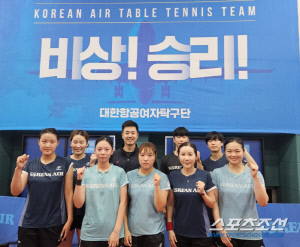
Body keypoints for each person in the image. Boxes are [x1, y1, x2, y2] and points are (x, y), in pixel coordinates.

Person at [11, 128, 73, 247]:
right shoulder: (29, 165)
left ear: (57, 143)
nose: (47, 145)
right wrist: (18, 169)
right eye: (44, 141)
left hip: (54, 223)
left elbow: (69, 193)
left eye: (52, 141)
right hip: (29, 223)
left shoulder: (65, 164)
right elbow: (15, 191)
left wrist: (69, 220)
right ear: (39, 142)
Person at [211, 137, 269, 247]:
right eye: (229, 151)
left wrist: (255, 177)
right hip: (227, 234)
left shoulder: (255, 173)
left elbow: (263, 202)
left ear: (243, 151)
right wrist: (220, 229)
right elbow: (214, 204)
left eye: (237, 151)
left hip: (251, 234)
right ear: (224, 152)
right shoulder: (217, 173)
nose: (233, 154)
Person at [74, 136, 128, 247]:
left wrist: (116, 231)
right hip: (89, 234)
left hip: (114, 233)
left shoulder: (119, 172)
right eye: (99, 149)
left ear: (112, 151)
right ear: (94, 151)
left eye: (106, 149)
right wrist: (79, 180)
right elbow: (78, 204)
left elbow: (123, 203)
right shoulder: (86, 173)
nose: (103, 152)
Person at [167, 142, 216, 247]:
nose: (186, 158)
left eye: (190, 154)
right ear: (178, 156)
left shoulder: (204, 175)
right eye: (183, 154)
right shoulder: (173, 176)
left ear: (196, 156)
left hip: (202, 234)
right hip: (179, 233)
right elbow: (170, 204)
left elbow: (212, 203)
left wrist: (203, 193)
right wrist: (170, 229)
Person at [124, 142, 170, 247]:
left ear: (155, 157)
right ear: (138, 156)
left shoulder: (162, 177)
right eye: (142, 155)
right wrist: (126, 230)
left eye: (150, 155)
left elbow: (160, 207)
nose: (146, 159)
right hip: (133, 232)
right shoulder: (129, 176)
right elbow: (124, 205)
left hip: (154, 232)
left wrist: (157, 186)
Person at [60, 130, 96, 247]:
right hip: (66, 211)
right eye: (75, 142)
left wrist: (92, 167)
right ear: (70, 143)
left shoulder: (92, 162)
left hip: (86, 211)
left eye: (81, 142)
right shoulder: (63, 162)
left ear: (87, 144)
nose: (78, 145)